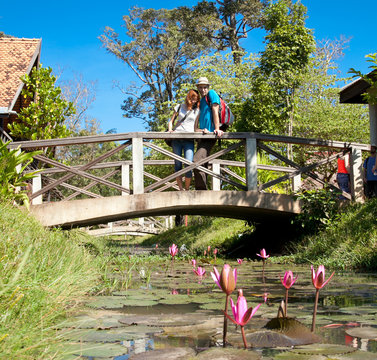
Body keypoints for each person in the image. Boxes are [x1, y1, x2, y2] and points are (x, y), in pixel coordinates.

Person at [193, 77, 224, 190]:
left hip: (211, 135)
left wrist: (217, 128)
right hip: (203, 135)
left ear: (208, 87)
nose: (203, 90)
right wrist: (202, 130)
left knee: (196, 160)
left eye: (205, 87)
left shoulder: (212, 94)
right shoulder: (201, 101)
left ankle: (201, 191)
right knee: (202, 162)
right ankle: (203, 188)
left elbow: (215, 110)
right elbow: (197, 125)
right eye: (200, 87)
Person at [168, 89, 200, 191]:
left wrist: (202, 130)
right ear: (188, 98)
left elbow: (195, 127)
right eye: (193, 99)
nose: (194, 101)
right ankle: (180, 189)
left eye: (196, 99)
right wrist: (170, 130)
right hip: (176, 138)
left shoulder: (197, 110)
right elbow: (171, 121)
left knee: (189, 164)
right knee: (177, 164)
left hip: (189, 139)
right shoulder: (179, 107)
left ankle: (187, 189)